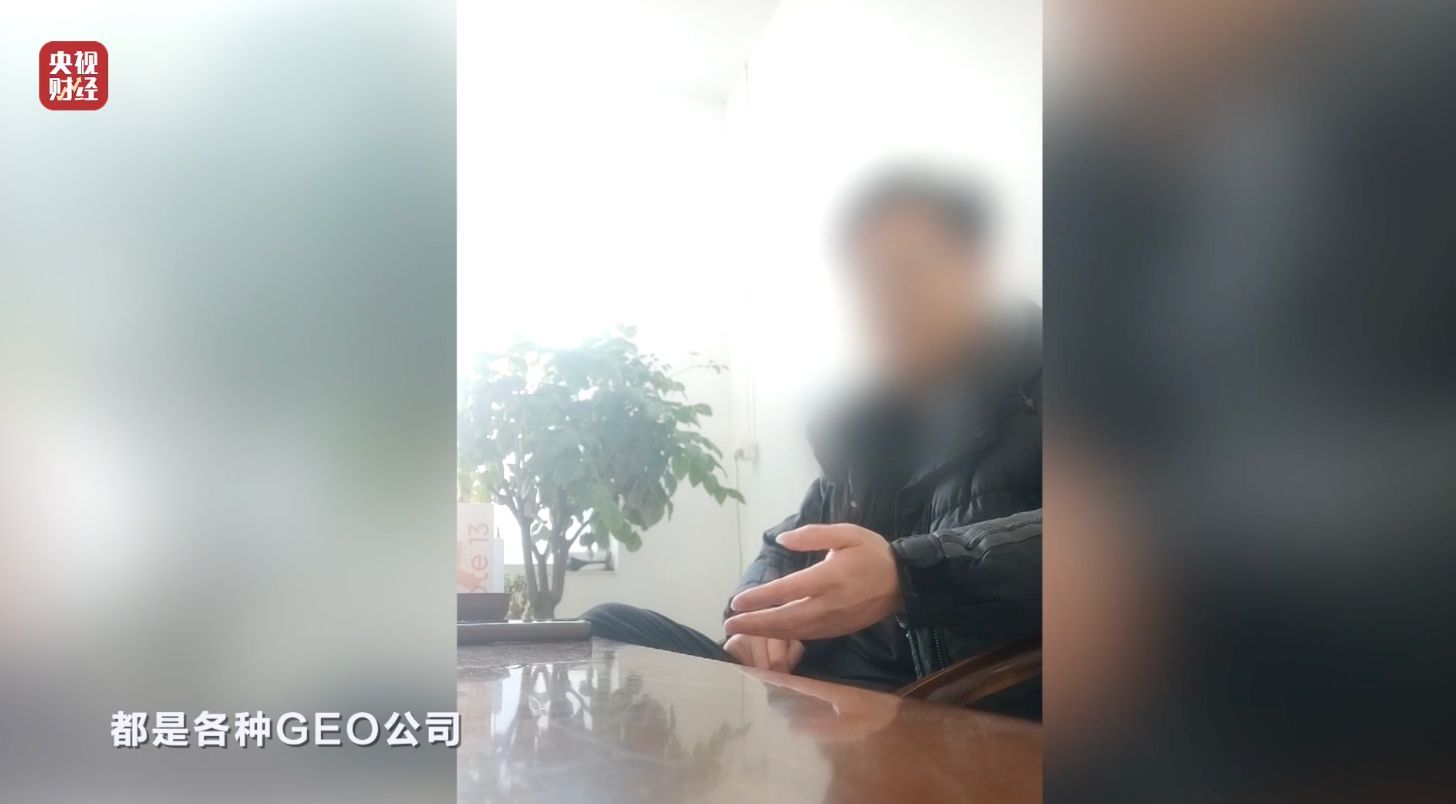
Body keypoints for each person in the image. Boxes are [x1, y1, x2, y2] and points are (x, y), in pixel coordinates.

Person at [584, 166, 1042, 717]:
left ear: (975, 270)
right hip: (817, 698)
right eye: (865, 282)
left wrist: (909, 575)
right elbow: (786, 544)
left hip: (931, 706)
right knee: (604, 630)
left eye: (906, 272)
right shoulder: (871, 423)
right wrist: (760, 618)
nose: (882, 304)